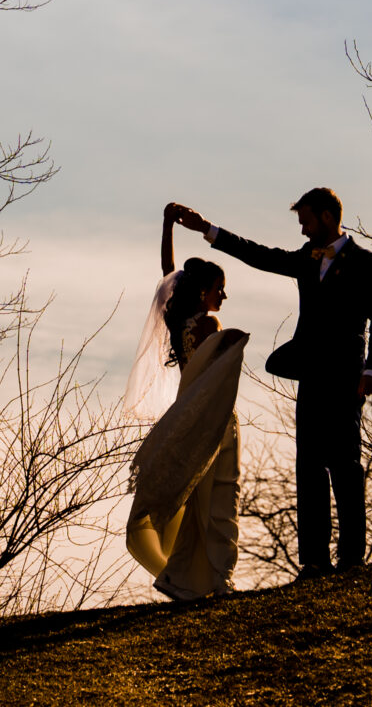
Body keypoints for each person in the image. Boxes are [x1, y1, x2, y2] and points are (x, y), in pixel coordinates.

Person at [167, 189, 372, 578]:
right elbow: (261, 255)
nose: (302, 230)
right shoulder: (306, 260)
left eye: (306, 221)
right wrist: (207, 229)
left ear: (325, 216)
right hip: (311, 377)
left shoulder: (366, 263)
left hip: (346, 379)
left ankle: (352, 558)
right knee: (309, 466)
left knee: (346, 465)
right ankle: (315, 561)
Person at [122, 207, 246, 599]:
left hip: (185, 409)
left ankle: (184, 576)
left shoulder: (177, 324)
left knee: (196, 498)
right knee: (221, 493)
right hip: (213, 414)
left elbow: (167, 272)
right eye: (218, 288)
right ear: (203, 290)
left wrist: (166, 226)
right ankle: (217, 576)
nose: (223, 295)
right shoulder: (210, 326)